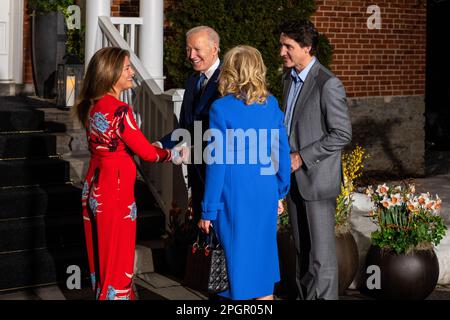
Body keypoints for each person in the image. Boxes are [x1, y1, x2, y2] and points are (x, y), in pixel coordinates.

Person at [74, 47, 187, 300]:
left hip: (95, 187)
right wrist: (173, 154)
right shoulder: (119, 110)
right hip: (114, 194)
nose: (132, 72)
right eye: (127, 67)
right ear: (111, 73)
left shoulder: (93, 107)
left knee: (103, 255)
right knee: (118, 258)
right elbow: (146, 153)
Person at [198, 45, 291, 300]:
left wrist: (208, 209)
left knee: (235, 265)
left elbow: (217, 163)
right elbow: (282, 154)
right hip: (264, 191)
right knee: (261, 264)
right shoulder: (271, 104)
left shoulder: (221, 108)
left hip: (233, 195)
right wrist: (279, 192)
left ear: (230, 72)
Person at [279, 20, 352, 300]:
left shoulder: (328, 83)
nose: (282, 51)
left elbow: (342, 133)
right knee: (302, 251)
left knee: (322, 257)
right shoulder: (288, 79)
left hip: (318, 181)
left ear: (307, 48)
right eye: (282, 45)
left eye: (289, 46)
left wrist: (301, 156)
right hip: (293, 179)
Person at [156, 26, 221, 225]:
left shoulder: (228, 81)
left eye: (197, 49)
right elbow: (186, 128)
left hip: (216, 177)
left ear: (214, 49)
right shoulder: (193, 80)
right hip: (196, 175)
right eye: (188, 49)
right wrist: (160, 145)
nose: (191, 55)